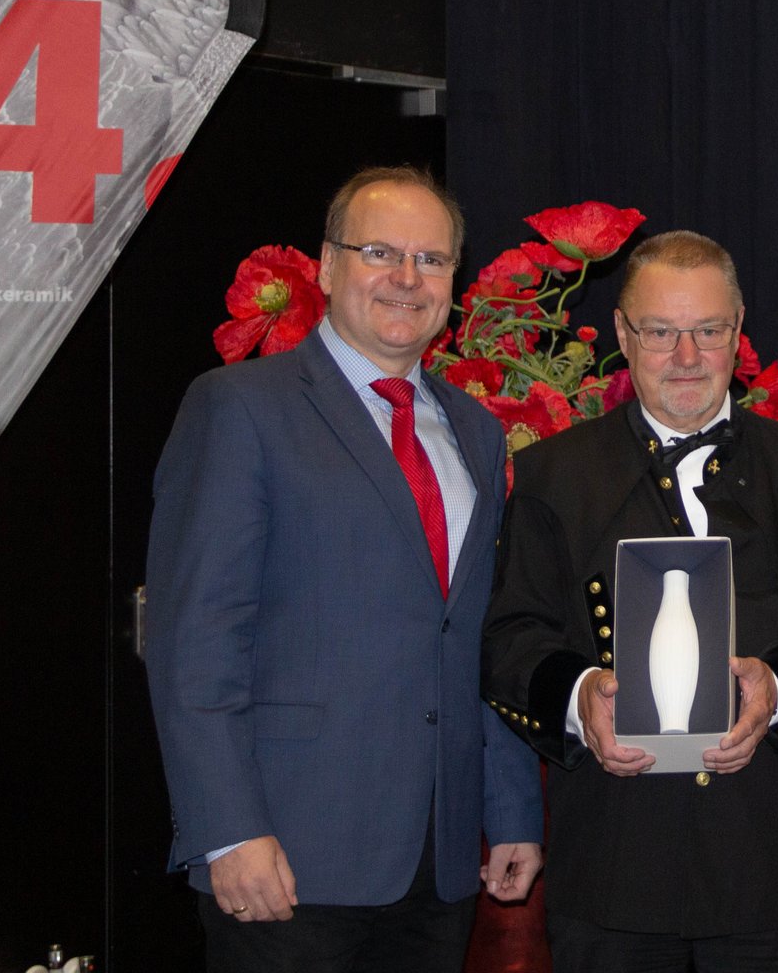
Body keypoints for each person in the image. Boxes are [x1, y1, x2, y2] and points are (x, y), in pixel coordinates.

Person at [146, 166, 544, 972]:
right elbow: (194, 640)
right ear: (326, 269)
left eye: (431, 260)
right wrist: (226, 828)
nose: (407, 278)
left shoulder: (473, 430)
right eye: (380, 252)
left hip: (438, 867)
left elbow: (474, 639)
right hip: (288, 856)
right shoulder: (240, 407)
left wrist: (511, 812)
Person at [481, 229, 778, 972]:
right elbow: (507, 639)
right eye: (661, 332)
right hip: (613, 869)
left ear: (738, 330)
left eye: (708, 331)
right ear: (622, 333)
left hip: (767, 866)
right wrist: (581, 695)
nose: (686, 358)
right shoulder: (552, 477)